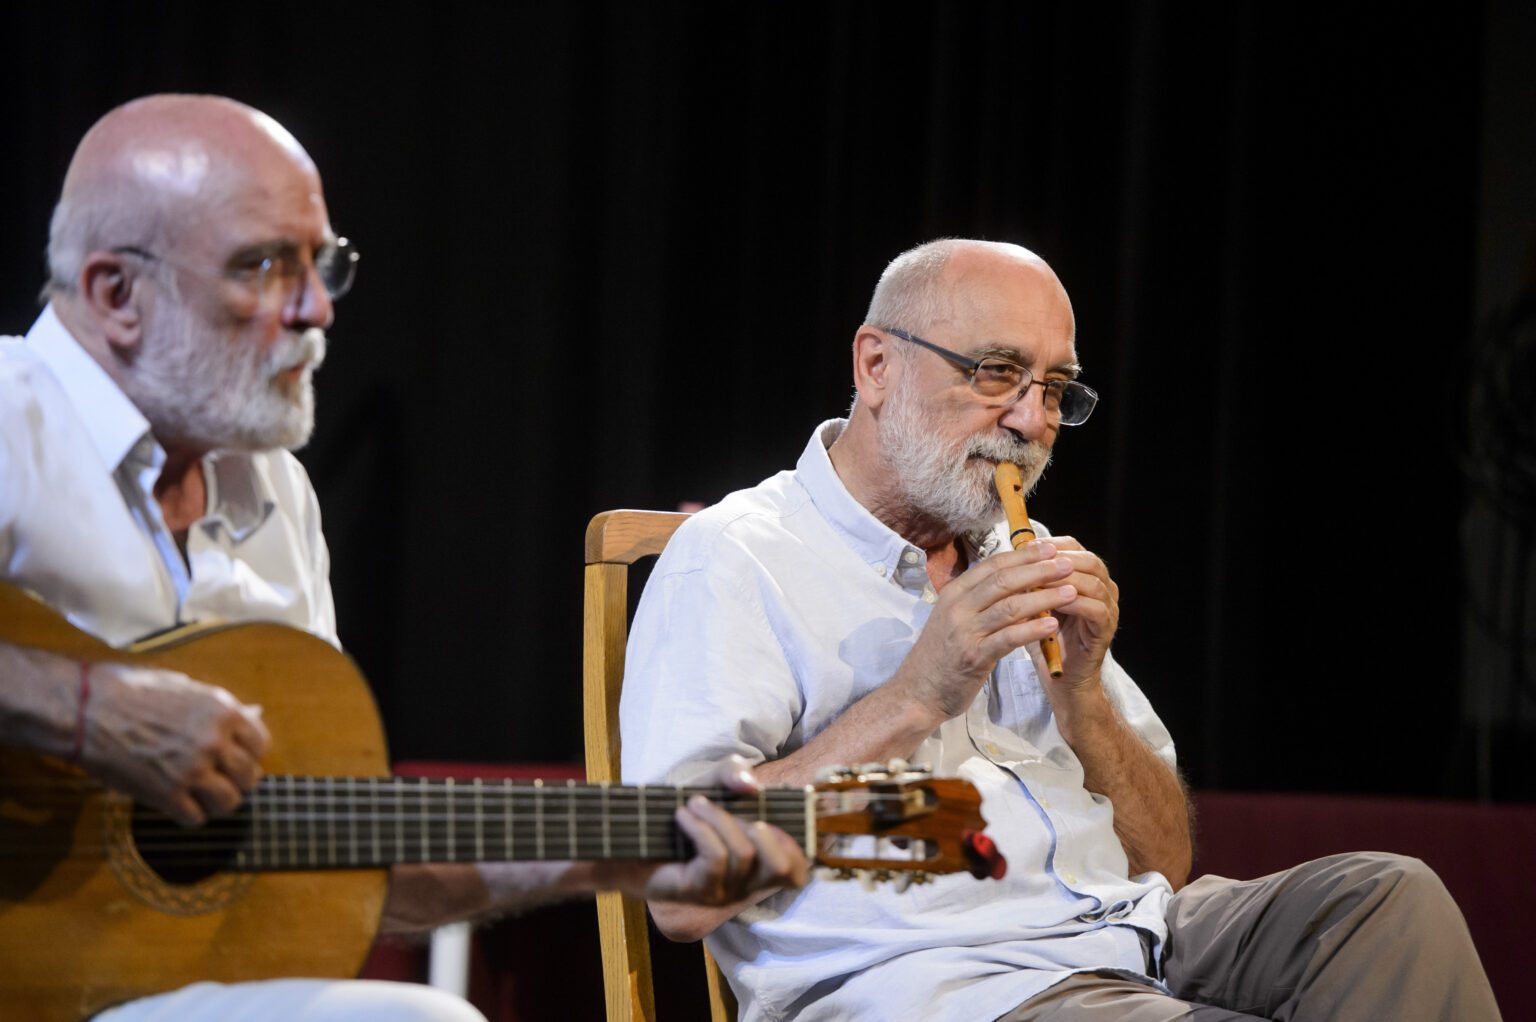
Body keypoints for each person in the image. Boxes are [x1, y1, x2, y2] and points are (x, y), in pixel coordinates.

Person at [0, 94, 807, 1021]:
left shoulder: (274, 491)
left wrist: (623, 852)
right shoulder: (9, 421)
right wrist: (81, 710)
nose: (315, 311)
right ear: (115, 293)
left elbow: (339, 857)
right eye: (263, 267)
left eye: (323, 265)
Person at [619, 238, 1501, 1021]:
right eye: (996, 373)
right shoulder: (737, 556)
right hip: (953, 979)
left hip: (1130, 933)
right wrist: (915, 696)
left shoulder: (1012, 556)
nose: (1032, 422)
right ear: (877, 365)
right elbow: (676, 892)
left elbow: (1167, 862)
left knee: (1387, 903)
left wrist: (1083, 698)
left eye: (1055, 389)